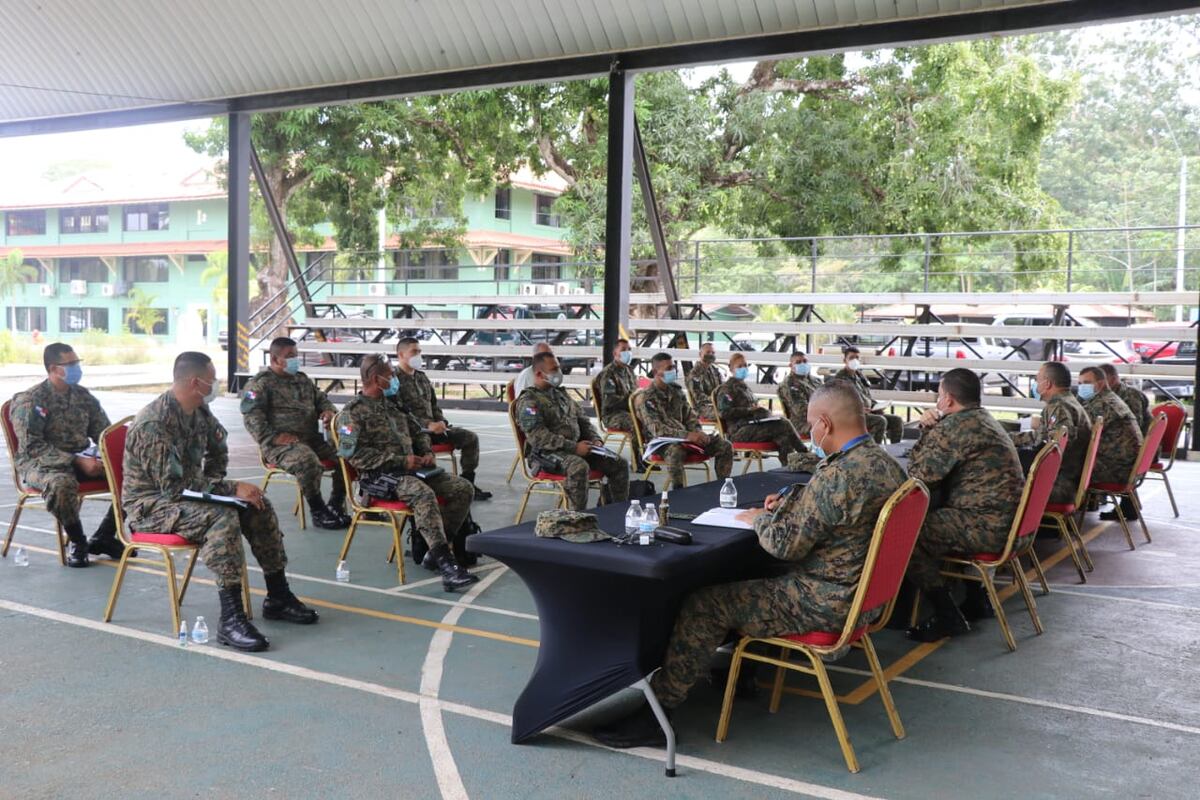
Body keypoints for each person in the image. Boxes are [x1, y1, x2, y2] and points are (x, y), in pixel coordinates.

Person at [593, 382, 905, 747]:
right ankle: (746, 673)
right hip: (862, 598)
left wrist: (757, 518)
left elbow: (783, 546)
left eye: (810, 425)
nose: (808, 433)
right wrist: (798, 502)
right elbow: (840, 510)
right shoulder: (885, 465)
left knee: (704, 604)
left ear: (825, 422)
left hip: (824, 601)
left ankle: (658, 714)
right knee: (752, 573)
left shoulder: (838, 476)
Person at [123, 352, 318, 652]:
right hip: (151, 507)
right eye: (211, 380)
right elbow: (173, 487)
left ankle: (278, 596)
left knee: (256, 505)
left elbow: (218, 447)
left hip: (186, 496)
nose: (214, 385)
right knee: (220, 517)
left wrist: (218, 484)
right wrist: (227, 488)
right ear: (194, 382)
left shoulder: (198, 410)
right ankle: (231, 619)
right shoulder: (153, 424)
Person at [335, 355, 478, 591]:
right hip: (380, 477)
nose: (393, 379)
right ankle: (447, 567)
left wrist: (426, 451)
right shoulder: (353, 414)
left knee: (463, 489)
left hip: (414, 469)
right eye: (389, 375)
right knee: (422, 494)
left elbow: (418, 431)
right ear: (374, 378)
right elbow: (354, 456)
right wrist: (401, 461)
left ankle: (437, 550)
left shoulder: (394, 405)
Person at [904, 369, 1025, 642]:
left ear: (947, 399)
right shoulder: (986, 419)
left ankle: (947, 614)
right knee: (939, 515)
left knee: (907, 534)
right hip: (1010, 525)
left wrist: (926, 430)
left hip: (987, 528)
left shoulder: (954, 427)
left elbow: (920, 474)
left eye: (939, 394)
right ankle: (975, 598)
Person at [10, 343, 123, 567]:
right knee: (61, 484)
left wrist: (107, 457)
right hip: (42, 464)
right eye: (70, 364)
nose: (76, 368)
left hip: (82, 458)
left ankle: (104, 536)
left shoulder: (83, 396)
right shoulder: (31, 401)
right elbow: (32, 447)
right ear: (53, 368)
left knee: (134, 476)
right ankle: (78, 542)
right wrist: (77, 461)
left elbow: (105, 433)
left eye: (77, 363)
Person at [240, 337, 349, 530]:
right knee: (307, 461)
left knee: (347, 454)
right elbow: (251, 416)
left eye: (296, 355)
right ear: (274, 360)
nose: (295, 360)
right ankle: (318, 510)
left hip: (311, 440)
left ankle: (336, 504)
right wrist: (273, 437)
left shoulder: (302, 379)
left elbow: (322, 400)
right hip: (280, 446)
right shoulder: (260, 385)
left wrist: (328, 411)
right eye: (290, 356)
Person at [515, 352, 629, 510]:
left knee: (619, 463)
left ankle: (612, 510)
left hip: (577, 448)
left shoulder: (561, 395)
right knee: (578, 467)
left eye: (558, 368)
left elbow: (583, 421)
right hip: (546, 455)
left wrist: (596, 440)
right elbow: (538, 437)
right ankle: (576, 518)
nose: (559, 373)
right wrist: (574, 448)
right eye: (554, 369)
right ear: (540, 374)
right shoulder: (529, 401)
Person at [394, 336, 491, 501]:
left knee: (470, 438)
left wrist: (441, 422)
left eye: (419, 351)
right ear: (401, 355)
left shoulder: (422, 377)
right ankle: (435, 489)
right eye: (414, 352)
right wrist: (428, 424)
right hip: (414, 433)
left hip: (436, 429)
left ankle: (468, 482)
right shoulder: (393, 381)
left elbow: (434, 406)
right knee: (425, 452)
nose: (418, 355)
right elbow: (399, 413)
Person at [633, 353, 733, 489]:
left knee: (724, 445)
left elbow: (690, 416)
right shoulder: (646, 397)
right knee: (676, 451)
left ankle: (722, 487)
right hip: (662, 443)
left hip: (687, 438)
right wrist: (687, 436)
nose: (673, 370)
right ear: (656, 372)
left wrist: (697, 432)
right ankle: (678, 492)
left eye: (673, 367)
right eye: (669, 368)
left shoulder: (676, 391)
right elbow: (657, 429)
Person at [1011, 361, 1091, 505]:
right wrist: (1009, 439)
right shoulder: (1068, 401)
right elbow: (1041, 438)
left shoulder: (1059, 407)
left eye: (1037, 380)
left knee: (998, 484)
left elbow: (1054, 451)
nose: (1036, 384)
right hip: (1066, 477)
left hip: (1060, 484)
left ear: (1047, 383)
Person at [1079, 366, 1144, 521]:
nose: (1082, 387)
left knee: (1067, 467)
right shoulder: (1110, 398)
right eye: (1080, 383)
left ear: (1101, 384)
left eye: (1087, 382)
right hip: (1127, 465)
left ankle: (1060, 519)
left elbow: (1079, 433)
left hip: (1117, 470)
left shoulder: (1102, 404)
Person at [715, 352, 803, 461]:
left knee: (784, 438)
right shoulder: (727, 389)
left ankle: (788, 469)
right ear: (731, 369)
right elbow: (724, 412)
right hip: (739, 432)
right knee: (783, 423)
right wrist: (749, 410)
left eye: (745, 365)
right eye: (740, 366)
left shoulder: (745, 388)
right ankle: (804, 453)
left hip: (752, 426)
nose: (744, 368)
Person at [828, 346, 901, 444]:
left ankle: (895, 450)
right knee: (880, 421)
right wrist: (858, 409)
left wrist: (877, 406)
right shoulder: (839, 380)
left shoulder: (859, 376)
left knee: (897, 420)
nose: (855, 360)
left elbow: (866, 396)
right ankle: (875, 453)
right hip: (851, 417)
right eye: (851, 358)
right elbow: (838, 404)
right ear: (844, 360)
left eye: (857, 358)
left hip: (867, 413)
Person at [595, 338, 637, 433]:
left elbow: (634, 391)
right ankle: (639, 448)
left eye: (629, 350)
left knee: (652, 418)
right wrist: (631, 400)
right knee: (636, 422)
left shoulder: (629, 370)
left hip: (628, 410)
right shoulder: (608, 374)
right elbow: (610, 402)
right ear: (614, 353)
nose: (627, 353)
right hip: (613, 415)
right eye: (623, 350)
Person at [777, 351, 822, 437]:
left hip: (820, 418)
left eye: (805, 361)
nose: (803, 364)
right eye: (798, 362)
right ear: (791, 366)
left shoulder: (816, 381)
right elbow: (801, 411)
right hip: (802, 424)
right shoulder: (789, 384)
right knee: (835, 427)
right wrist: (825, 411)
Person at [1099, 363, 1151, 434]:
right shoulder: (1104, 394)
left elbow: (1135, 425)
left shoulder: (1131, 395)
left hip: (1136, 440)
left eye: (1100, 380)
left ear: (1114, 379)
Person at [685, 341, 722, 420]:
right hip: (703, 408)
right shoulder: (694, 374)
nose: (711, 355)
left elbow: (722, 388)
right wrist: (715, 400)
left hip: (717, 404)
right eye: (708, 352)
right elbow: (698, 397)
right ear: (700, 354)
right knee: (726, 413)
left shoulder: (715, 371)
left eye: (713, 352)